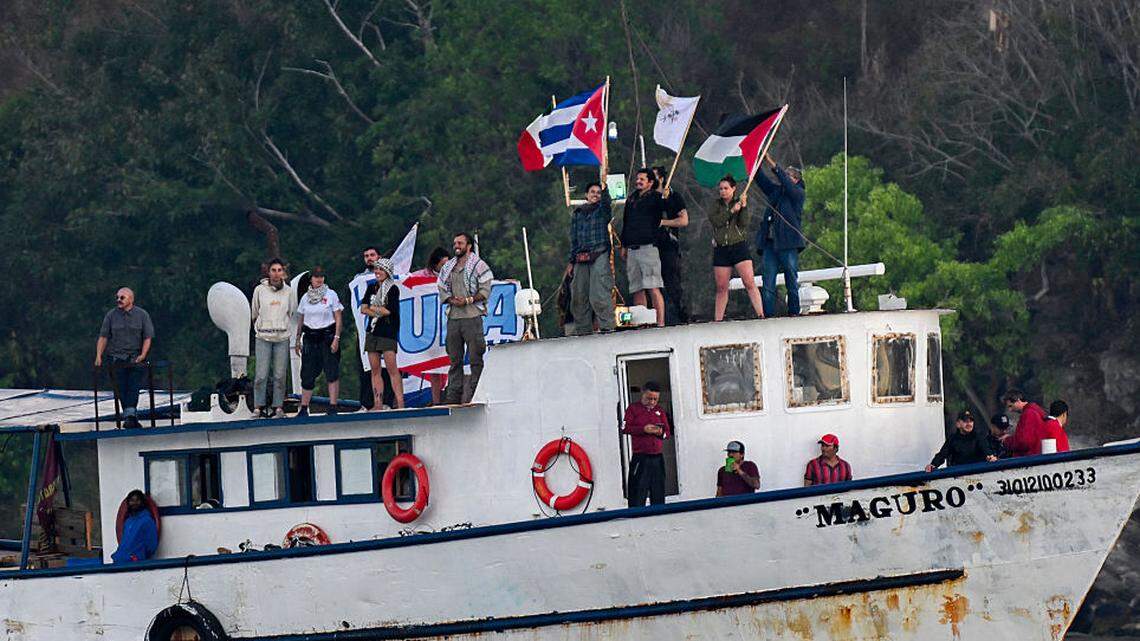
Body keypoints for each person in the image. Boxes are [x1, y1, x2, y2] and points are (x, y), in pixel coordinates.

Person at [438, 232, 493, 404]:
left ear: (469, 246)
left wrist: (468, 300)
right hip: (454, 317)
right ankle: (453, 397)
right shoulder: (448, 267)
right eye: (455, 243)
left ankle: (477, 393)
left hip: (472, 316)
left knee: (476, 357)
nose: (456, 246)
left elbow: (485, 289)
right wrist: (450, 300)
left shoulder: (479, 265)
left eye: (460, 243)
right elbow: (441, 287)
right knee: (455, 359)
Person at [95, 287, 155, 429]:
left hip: (135, 357)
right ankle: (130, 416)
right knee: (121, 388)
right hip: (117, 357)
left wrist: (143, 355)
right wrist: (98, 355)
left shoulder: (142, 315)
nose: (119, 300)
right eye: (117, 297)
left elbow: (147, 337)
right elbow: (103, 337)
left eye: (122, 297)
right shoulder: (111, 315)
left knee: (133, 386)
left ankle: (130, 416)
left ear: (131, 299)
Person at [753, 156, 806, 317]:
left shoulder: (798, 194)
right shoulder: (776, 192)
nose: (785, 177)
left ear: (796, 180)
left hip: (788, 244)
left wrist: (772, 163)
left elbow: (787, 184)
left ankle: (794, 312)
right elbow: (762, 180)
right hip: (770, 244)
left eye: (789, 175)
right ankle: (768, 315)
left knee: (791, 281)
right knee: (768, 283)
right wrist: (755, 163)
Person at [709, 175, 765, 321]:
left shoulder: (739, 203)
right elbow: (716, 221)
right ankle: (718, 319)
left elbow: (744, 223)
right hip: (721, 248)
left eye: (726, 188)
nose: (723, 191)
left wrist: (743, 207)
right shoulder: (716, 205)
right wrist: (731, 211)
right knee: (721, 287)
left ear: (733, 189)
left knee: (749, 282)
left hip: (738, 246)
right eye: (721, 189)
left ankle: (760, 313)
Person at [567, 181, 616, 335]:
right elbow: (574, 238)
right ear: (586, 195)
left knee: (599, 294)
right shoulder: (578, 213)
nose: (595, 195)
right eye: (592, 192)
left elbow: (607, 204)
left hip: (599, 254)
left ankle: (608, 327)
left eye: (598, 193)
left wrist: (605, 189)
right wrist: (571, 261)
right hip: (580, 257)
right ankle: (583, 331)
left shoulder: (602, 211)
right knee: (578, 296)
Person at [294, 266, 344, 417]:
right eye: (316, 277)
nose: (319, 279)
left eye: (321, 276)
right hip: (310, 336)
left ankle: (333, 405)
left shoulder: (331, 294)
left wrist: (336, 338)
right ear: (311, 279)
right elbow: (301, 319)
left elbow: (338, 317)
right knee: (307, 373)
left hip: (327, 335)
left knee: (331, 370)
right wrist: (297, 338)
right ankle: (304, 407)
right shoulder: (305, 297)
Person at [620, 169, 667, 327]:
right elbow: (626, 222)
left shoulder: (656, 198)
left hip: (648, 247)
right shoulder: (631, 199)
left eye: (642, 179)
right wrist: (624, 245)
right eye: (638, 178)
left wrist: (664, 196)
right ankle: (642, 322)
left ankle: (660, 323)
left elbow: (663, 210)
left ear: (650, 182)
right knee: (637, 287)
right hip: (632, 249)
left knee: (653, 286)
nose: (638, 181)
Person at [251, 258, 295, 418]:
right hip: (263, 336)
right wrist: (261, 326)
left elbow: (291, 311)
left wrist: (282, 324)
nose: (276, 274)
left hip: (282, 337)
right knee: (261, 375)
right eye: (273, 270)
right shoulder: (259, 290)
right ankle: (258, 407)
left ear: (283, 272)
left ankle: (278, 407)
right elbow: (254, 311)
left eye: (279, 270)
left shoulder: (289, 291)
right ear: (268, 272)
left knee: (280, 375)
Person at [353, 246, 394, 410]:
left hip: (386, 328)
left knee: (386, 367)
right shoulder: (359, 279)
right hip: (366, 330)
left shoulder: (389, 277)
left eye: (372, 255)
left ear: (379, 257)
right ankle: (366, 403)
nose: (369, 258)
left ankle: (387, 402)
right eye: (366, 256)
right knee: (366, 368)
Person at [361, 258, 404, 410]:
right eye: (376, 269)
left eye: (381, 269)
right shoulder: (371, 287)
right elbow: (363, 308)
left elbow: (388, 311)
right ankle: (377, 403)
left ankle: (400, 402)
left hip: (387, 331)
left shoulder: (393, 289)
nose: (377, 272)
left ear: (388, 272)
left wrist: (373, 308)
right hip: (372, 331)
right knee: (375, 369)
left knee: (392, 368)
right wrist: (376, 309)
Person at [410, 247, 451, 404]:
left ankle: (451, 396)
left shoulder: (455, 275)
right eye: (443, 264)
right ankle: (436, 401)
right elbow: (405, 283)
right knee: (435, 366)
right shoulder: (422, 276)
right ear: (435, 264)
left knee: (452, 363)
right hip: (431, 328)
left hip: (449, 325)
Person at [622, 382, 671, 507]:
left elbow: (667, 433)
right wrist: (643, 429)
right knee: (637, 493)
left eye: (655, 399)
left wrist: (660, 432)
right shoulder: (633, 409)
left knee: (658, 493)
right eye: (649, 398)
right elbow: (625, 428)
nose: (652, 402)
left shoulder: (659, 411)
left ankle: (659, 514)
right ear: (642, 394)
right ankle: (636, 516)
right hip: (641, 457)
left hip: (657, 458)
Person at [653, 166, 689, 325]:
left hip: (668, 245)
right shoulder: (646, 197)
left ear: (661, 179)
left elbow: (684, 220)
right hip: (649, 246)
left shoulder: (674, 196)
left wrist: (663, 222)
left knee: (672, 282)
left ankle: (678, 317)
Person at [925, 410, 998, 471]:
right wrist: (933, 465)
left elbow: (986, 450)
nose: (969, 424)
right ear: (958, 424)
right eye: (965, 421)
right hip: (958, 475)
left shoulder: (979, 437)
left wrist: (991, 457)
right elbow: (942, 455)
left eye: (971, 421)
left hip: (978, 473)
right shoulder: (953, 439)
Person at [111, 489, 157, 564]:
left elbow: (151, 545)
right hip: (119, 560)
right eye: (132, 500)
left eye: (137, 500)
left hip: (135, 562)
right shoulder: (128, 521)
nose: (134, 503)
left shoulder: (147, 521)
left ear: (142, 502)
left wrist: (138, 556)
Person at [1000, 389, 1050, 457]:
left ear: (1018, 400)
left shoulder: (1029, 414)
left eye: (1010, 406)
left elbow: (1024, 442)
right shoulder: (1033, 412)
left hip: (1030, 458)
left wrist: (1007, 440)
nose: (1010, 410)